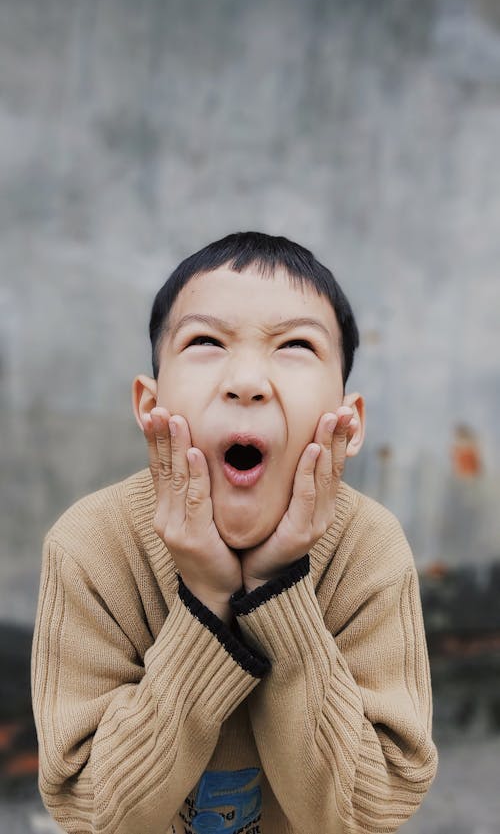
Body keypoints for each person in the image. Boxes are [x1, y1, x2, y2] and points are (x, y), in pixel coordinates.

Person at [31, 232, 438, 834]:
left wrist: (277, 588)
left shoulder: (369, 549)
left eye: (296, 345)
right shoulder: (90, 546)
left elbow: (366, 813)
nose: (246, 381)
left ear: (348, 423)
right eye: (206, 341)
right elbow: (94, 811)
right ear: (150, 406)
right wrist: (203, 600)